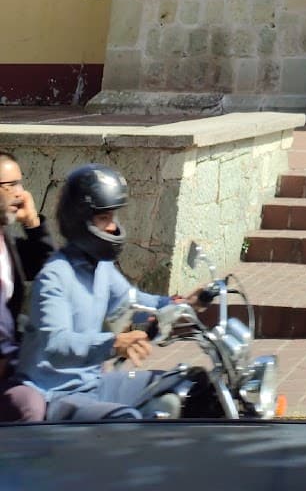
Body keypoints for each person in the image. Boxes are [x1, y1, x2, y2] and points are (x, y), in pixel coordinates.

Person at [17, 163, 201, 423]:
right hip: (58, 393)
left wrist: (181, 304)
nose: (113, 227)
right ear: (80, 221)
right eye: (104, 219)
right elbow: (56, 345)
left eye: (113, 217)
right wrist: (112, 344)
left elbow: (133, 303)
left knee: (188, 385)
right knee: (124, 422)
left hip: (95, 383)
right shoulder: (55, 276)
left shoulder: (101, 268)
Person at [0, 151, 54, 425]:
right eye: (10, 186)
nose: (21, 195)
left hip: (12, 358)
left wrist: (33, 224)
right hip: (6, 367)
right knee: (30, 404)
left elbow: (48, 269)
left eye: (21, 183)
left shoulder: (4, 240)